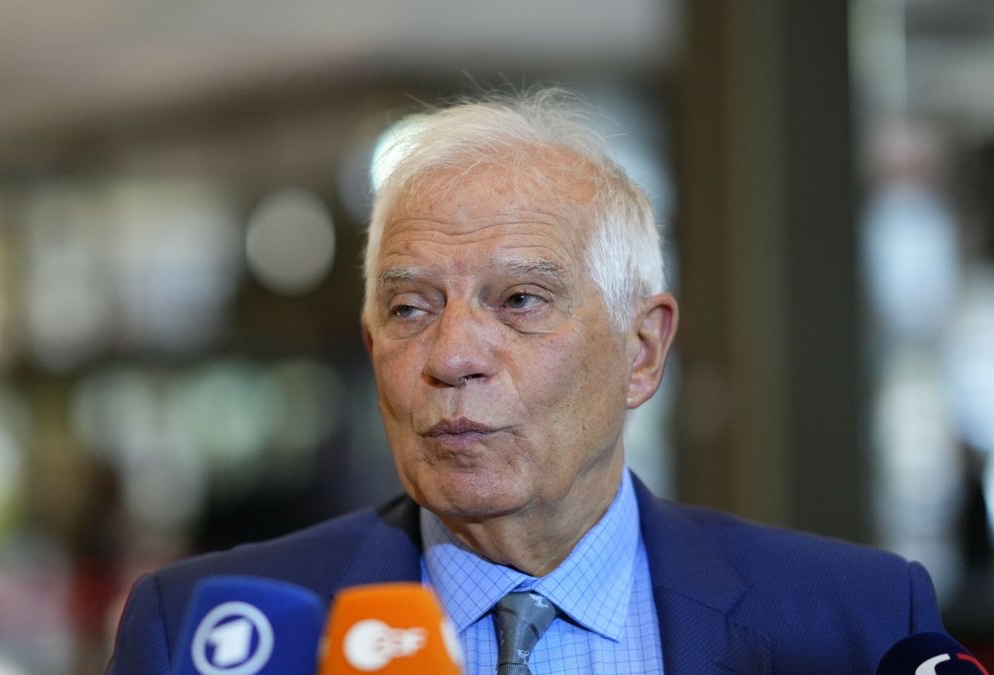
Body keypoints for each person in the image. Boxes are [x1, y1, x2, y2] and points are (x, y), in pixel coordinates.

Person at [107, 90, 948, 674]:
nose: (452, 355)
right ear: (371, 348)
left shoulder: (857, 623)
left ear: (643, 351)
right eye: (409, 308)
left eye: (519, 300)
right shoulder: (208, 633)